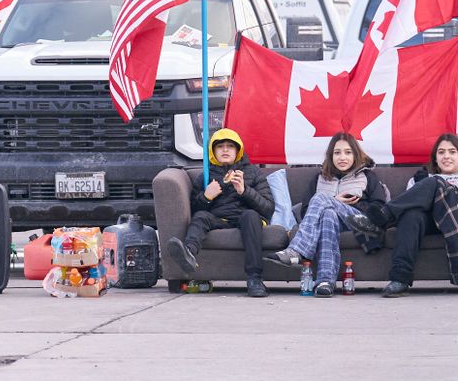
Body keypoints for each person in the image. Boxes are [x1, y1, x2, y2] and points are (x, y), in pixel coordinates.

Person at [347, 134, 458, 298]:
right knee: (412, 215)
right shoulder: (423, 179)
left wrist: (441, 188)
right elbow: (409, 204)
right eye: (441, 152)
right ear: (435, 159)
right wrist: (424, 186)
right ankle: (400, 278)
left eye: (452, 152)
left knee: (435, 183)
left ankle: (381, 219)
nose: (446, 156)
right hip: (432, 223)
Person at [263, 132, 388, 297]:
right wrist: (333, 202)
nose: (342, 157)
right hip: (331, 224)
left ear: (356, 154)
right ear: (331, 155)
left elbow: (379, 208)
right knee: (328, 214)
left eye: (348, 152)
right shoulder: (320, 178)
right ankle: (325, 281)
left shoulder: (367, 176)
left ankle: (297, 250)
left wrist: (344, 203)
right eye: (337, 153)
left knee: (322, 198)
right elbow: (306, 210)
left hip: (361, 224)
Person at [164, 127, 275, 298]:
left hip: (247, 219)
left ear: (237, 150)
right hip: (219, 219)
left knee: (250, 215)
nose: (225, 150)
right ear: (212, 151)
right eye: (220, 146)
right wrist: (207, 196)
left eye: (230, 146)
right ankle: (188, 254)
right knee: (201, 217)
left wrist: (244, 191)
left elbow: (268, 208)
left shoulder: (253, 172)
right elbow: (194, 211)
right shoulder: (205, 176)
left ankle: (255, 279)